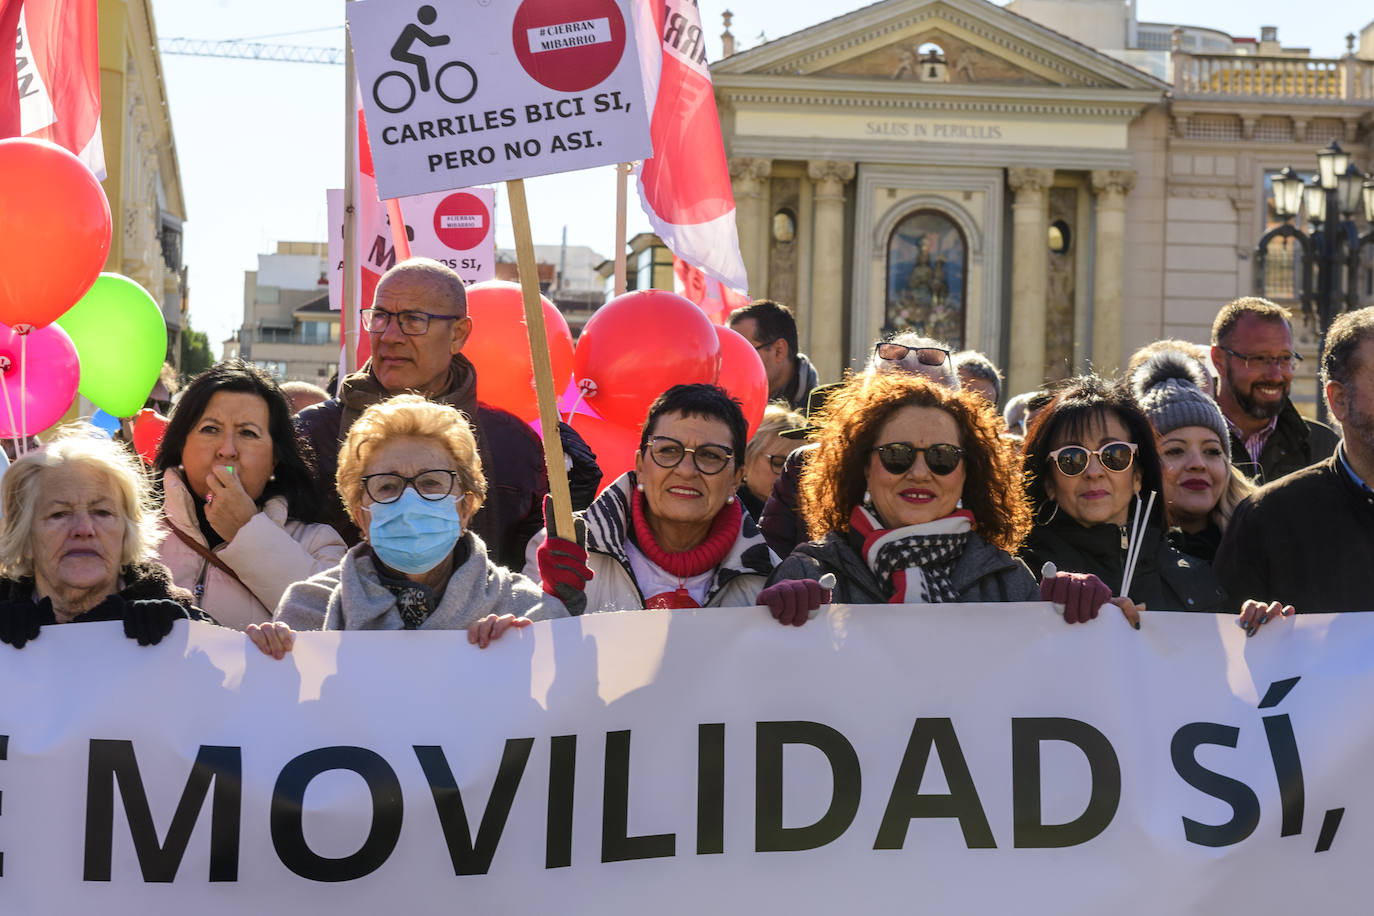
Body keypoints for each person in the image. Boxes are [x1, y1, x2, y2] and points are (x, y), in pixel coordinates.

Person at [296, 258, 600, 570]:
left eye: (413, 320)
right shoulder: (311, 436)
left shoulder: (513, 444)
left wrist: (572, 505)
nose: (389, 336)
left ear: (458, 334)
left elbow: (527, 570)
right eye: (380, 317)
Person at [278, 395, 567, 641]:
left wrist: (520, 659)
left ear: (465, 508)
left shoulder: (529, 612)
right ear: (361, 517)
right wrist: (269, 659)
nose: (409, 501)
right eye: (387, 486)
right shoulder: (309, 611)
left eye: (431, 482)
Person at [763, 373, 1038, 621]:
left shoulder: (1009, 582)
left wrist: (1072, 609)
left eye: (942, 457)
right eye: (897, 455)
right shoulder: (808, 573)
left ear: (968, 473)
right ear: (865, 467)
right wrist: (775, 619)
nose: (920, 473)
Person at [0, 430, 289, 657]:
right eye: (59, 514)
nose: (84, 529)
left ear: (128, 530)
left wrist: (262, 654)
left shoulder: (181, 626)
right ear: (23, 535)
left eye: (102, 512)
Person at [526, 384, 777, 614]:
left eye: (710, 455)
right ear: (641, 466)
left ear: (736, 479)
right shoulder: (565, 547)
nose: (686, 470)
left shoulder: (771, 577)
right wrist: (548, 601)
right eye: (668, 450)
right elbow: (520, 650)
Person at [152, 362, 347, 631]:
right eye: (210, 429)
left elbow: (334, 622)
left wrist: (247, 531)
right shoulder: (135, 534)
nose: (227, 450)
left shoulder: (320, 544)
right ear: (181, 444)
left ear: (275, 460)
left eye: (248, 433)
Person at [1020, 376, 1229, 617]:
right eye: (1072, 458)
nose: (1094, 472)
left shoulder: (1196, 577)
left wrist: (1263, 626)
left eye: (1115, 454)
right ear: (1049, 484)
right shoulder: (1021, 578)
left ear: (1138, 475)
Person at [1214, 306, 1374, 616]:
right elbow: (1219, 650)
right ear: (1339, 399)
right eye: (1258, 358)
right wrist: (1254, 624)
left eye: (1283, 358)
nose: (1273, 370)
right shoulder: (1267, 518)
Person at [759, 333, 959, 560]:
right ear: (866, 408)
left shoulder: (972, 471)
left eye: (929, 404)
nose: (919, 471)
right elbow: (769, 564)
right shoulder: (808, 466)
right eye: (895, 405)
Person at [1131, 348, 1253, 562]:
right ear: (1141, 468)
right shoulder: (1122, 555)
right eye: (1175, 451)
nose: (1198, 464)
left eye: (1212, 451)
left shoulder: (1259, 545)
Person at [1210, 297, 1338, 484]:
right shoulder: (1185, 441)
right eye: (1259, 359)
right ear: (1219, 360)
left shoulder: (1323, 447)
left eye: (1285, 358)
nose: (1275, 376)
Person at [727, 300, 819, 410]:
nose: (732, 364)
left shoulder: (823, 416)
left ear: (779, 351)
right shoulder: (728, 406)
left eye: (744, 353)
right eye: (730, 354)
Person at [737, 403, 804, 521]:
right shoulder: (726, 513)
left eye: (800, 464)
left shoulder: (810, 518)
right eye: (778, 463)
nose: (789, 474)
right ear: (747, 457)